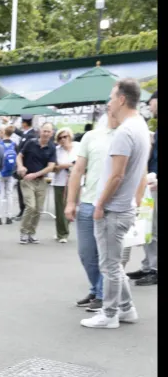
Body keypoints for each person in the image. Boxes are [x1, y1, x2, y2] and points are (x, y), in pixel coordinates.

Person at [80, 79, 150, 329]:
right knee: (115, 263)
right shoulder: (140, 126)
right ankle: (126, 308)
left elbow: (117, 175)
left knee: (109, 265)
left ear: (121, 99)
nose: (109, 102)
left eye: (111, 97)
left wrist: (100, 204)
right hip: (125, 207)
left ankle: (109, 314)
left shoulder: (125, 132)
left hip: (114, 209)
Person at [65, 106, 120, 312]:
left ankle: (102, 295)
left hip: (112, 204)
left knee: (107, 256)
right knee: (86, 253)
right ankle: (96, 290)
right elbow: (78, 169)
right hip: (88, 202)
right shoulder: (91, 136)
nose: (111, 111)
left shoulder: (127, 134)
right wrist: (71, 202)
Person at [126, 90, 158, 287]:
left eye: (151, 103)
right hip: (150, 183)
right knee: (147, 226)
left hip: (155, 182)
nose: (150, 107)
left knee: (153, 228)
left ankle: (154, 269)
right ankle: (148, 266)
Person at [16, 122, 56, 244]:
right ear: (39, 131)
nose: (46, 133)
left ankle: (31, 233)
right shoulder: (31, 143)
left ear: (52, 133)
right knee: (31, 206)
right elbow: (19, 156)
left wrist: (36, 174)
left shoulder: (52, 147)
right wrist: (20, 166)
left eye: (48, 131)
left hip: (41, 180)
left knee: (38, 209)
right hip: (27, 180)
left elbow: (51, 167)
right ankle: (23, 232)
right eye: (44, 131)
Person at [52, 127, 79, 243]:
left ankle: (63, 229)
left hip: (75, 181)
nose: (63, 139)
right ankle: (62, 233)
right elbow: (54, 167)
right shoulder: (56, 150)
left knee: (71, 207)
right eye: (60, 138)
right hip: (60, 182)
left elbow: (82, 163)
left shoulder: (78, 147)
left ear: (70, 136)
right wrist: (67, 165)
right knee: (60, 208)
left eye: (65, 137)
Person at [13, 115, 37, 220]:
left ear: (24, 123)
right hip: (21, 166)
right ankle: (22, 210)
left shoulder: (31, 135)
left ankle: (25, 211)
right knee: (20, 189)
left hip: (26, 167)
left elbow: (26, 151)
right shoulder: (27, 134)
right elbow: (21, 135)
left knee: (24, 191)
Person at [0, 125, 18, 225]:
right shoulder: (14, 144)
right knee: (9, 194)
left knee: (1, 194)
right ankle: (9, 217)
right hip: (11, 173)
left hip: (1, 172)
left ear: (3, 133)